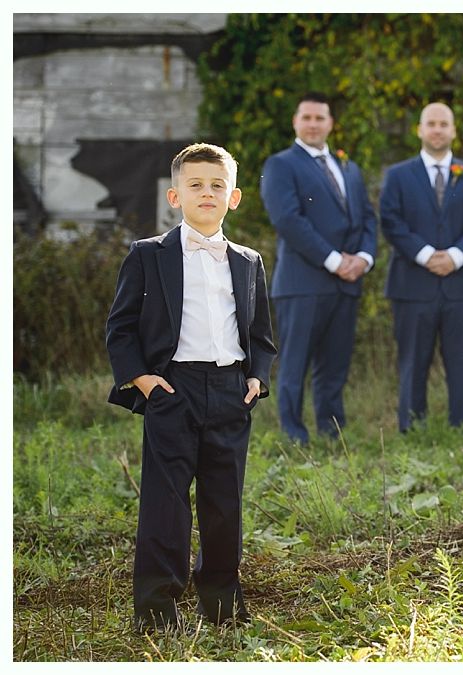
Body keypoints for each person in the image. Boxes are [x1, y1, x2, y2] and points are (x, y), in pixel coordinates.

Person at [106, 143, 277, 632]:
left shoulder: (248, 261)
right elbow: (121, 327)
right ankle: (157, 611)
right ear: (175, 196)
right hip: (171, 389)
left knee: (224, 503)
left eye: (217, 185)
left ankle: (221, 604)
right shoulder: (148, 254)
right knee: (166, 503)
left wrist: (255, 378)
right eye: (196, 184)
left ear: (234, 197)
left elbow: (260, 334)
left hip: (230, 391)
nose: (207, 193)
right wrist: (144, 380)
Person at [261, 92, 377, 444]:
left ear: (330, 123)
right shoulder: (281, 165)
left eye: (319, 118)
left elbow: (367, 218)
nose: (313, 124)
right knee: (295, 365)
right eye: (306, 117)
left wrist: (364, 259)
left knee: (335, 364)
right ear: (295, 121)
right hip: (303, 284)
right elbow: (288, 219)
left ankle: (331, 432)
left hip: (347, 283)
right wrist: (334, 261)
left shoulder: (348, 167)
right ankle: (294, 435)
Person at [380, 103, 463, 432]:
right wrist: (426, 254)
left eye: (444, 124)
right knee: (413, 361)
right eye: (431, 123)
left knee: (461, 361)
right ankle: (412, 427)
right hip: (413, 284)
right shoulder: (398, 175)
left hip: (462, 285)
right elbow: (391, 220)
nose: (437, 129)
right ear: (420, 129)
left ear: (453, 130)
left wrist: (455, 256)